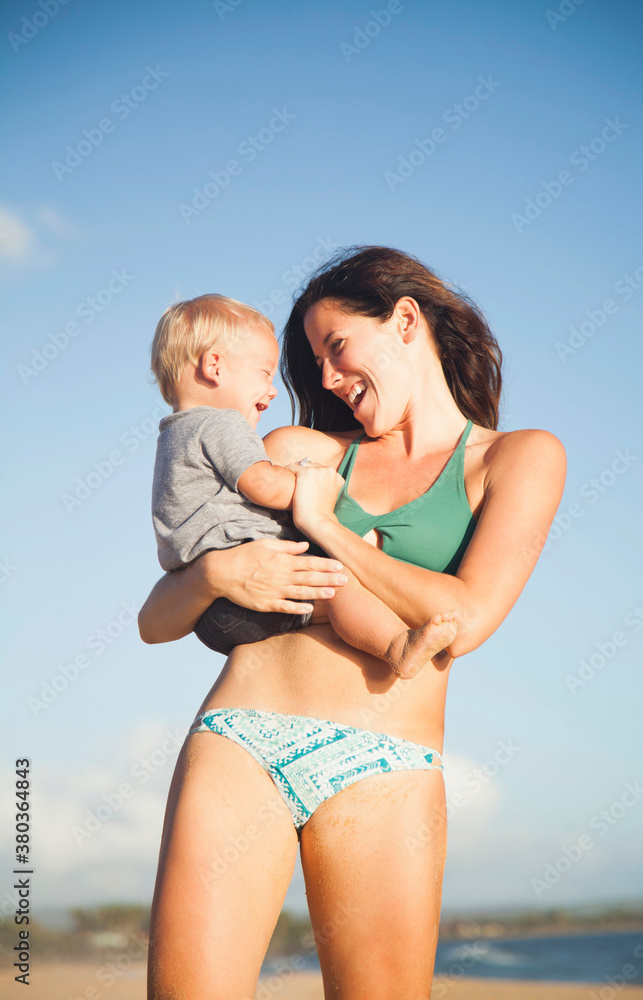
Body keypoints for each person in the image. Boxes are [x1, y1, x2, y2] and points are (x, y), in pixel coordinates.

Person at [139, 246, 567, 1000]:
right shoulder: (297, 451)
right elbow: (158, 614)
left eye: (336, 347)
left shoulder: (518, 458)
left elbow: (463, 618)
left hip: (384, 766)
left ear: (405, 320)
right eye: (316, 362)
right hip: (241, 737)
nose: (329, 378)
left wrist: (327, 527)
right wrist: (213, 576)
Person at [150, 293, 459, 678]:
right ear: (214, 366)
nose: (273, 389)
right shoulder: (221, 423)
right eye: (264, 373)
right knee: (335, 583)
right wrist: (307, 481)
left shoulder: (171, 437)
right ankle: (396, 646)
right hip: (249, 591)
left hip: (212, 617)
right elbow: (262, 483)